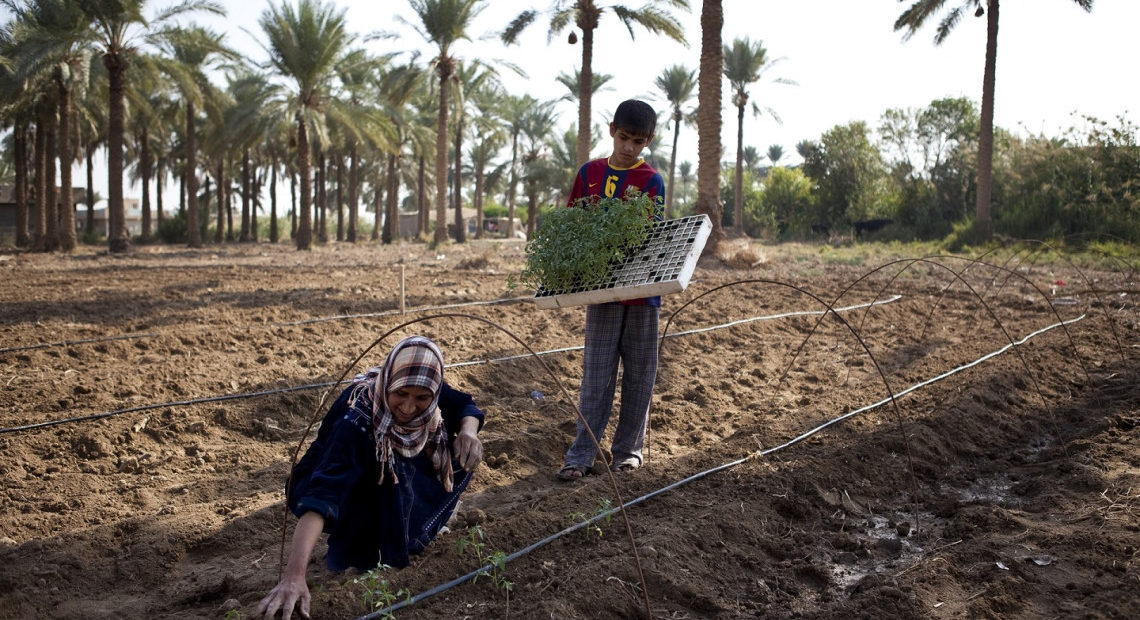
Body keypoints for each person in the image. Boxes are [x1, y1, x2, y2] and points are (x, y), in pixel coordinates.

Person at [257, 335, 484, 619]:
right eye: (400, 394)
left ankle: (411, 527)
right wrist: (294, 575)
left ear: (433, 392)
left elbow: (466, 406)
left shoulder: (424, 384)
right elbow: (323, 494)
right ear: (388, 380)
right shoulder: (357, 420)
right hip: (336, 481)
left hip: (377, 474)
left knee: (460, 455)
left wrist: (468, 433)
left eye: (422, 398)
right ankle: (365, 533)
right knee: (367, 549)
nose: (409, 406)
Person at [557, 99, 665, 481]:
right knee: (596, 374)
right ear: (611, 131)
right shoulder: (589, 173)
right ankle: (581, 453)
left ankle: (628, 452)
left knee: (640, 372)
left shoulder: (651, 180)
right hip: (600, 291)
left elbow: (648, 236)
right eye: (624, 138)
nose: (629, 148)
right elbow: (571, 222)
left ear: (648, 141)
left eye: (638, 141)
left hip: (642, 292)